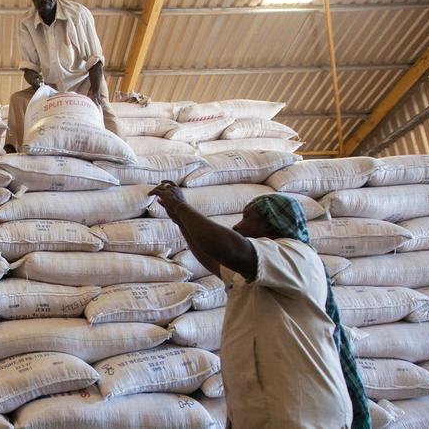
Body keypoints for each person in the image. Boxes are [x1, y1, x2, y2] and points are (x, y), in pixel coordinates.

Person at [151, 181, 369, 429]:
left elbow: (230, 248)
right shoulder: (257, 270)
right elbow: (215, 258)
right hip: (270, 414)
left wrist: (181, 207)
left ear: (269, 221)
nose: (238, 226)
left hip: (304, 415)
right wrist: (180, 220)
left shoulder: (295, 255)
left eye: (246, 218)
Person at [7, 0, 118, 150]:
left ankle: (121, 155)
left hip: (85, 83)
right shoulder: (26, 24)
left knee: (104, 112)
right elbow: (29, 68)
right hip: (51, 91)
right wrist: (35, 80)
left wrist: (94, 94)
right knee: (17, 100)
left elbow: (95, 61)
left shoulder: (78, 15)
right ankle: (13, 151)